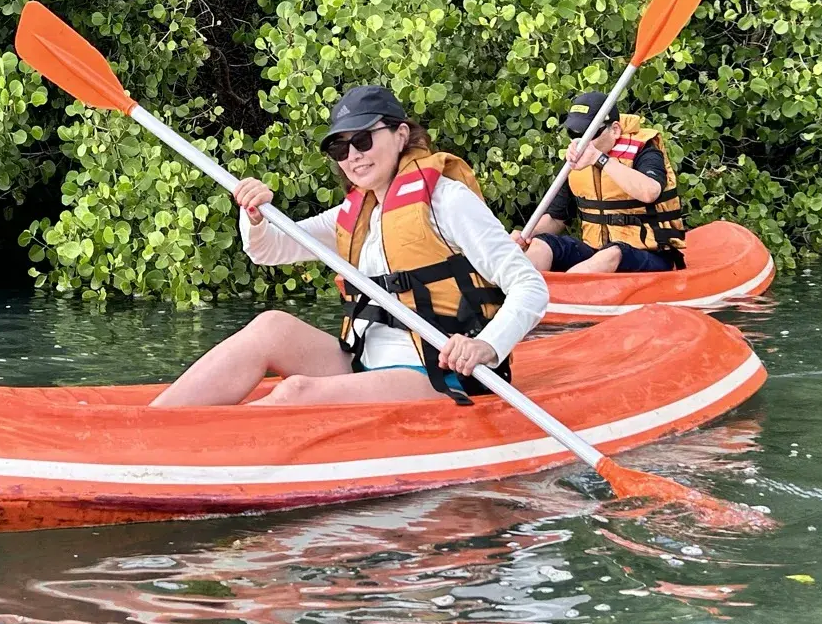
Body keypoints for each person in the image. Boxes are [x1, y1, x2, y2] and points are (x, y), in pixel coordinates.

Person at [151, 84, 548, 408]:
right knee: (271, 327)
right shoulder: (354, 214)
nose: (353, 156)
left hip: (440, 372)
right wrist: (253, 215)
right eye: (340, 148)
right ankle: (153, 426)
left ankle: (192, 452)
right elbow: (268, 250)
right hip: (367, 362)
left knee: (295, 392)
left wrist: (486, 346)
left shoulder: (448, 201)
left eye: (362, 140)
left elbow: (530, 286)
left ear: (401, 135)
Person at [517, 90, 688, 275]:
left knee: (611, 254)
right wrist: (526, 236)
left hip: (649, 253)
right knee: (541, 244)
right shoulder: (575, 161)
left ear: (614, 130)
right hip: (595, 250)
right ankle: (515, 288)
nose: (582, 142)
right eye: (574, 133)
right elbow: (556, 218)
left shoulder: (645, 150)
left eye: (590, 134)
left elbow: (650, 192)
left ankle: (565, 290)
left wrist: (600, 159)